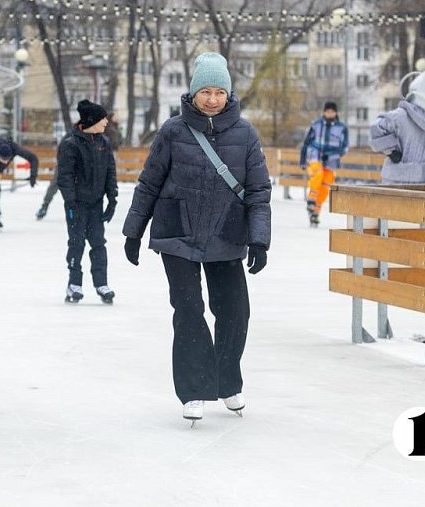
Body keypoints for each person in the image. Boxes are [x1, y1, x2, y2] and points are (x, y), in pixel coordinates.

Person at [122, 52, 271, 424]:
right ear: (193, 92)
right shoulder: (173, 131)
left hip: (226, 232)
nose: (212, 99)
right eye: (206, 91)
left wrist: (259, 239)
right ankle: (193, 388)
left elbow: (258, 191)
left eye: (219, 91)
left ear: (228, 94)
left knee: (235, 311)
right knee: (189, 310)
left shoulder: (245, 133)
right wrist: (133, 231)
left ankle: (226, 380)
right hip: (178, 233)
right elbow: (150, 182)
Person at [57, 99, 119, 304]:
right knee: (76, 244)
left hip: (96, 204)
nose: (106, 123)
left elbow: (111, 171)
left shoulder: (103, 143)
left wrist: (112, 199)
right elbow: (65, 177)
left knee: (99, 244)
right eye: (103, 119)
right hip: (76, 205)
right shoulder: (70, 144)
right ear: (92, 120)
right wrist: (71, 202)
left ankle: (101, 284)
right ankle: (73, 284)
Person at [369, 64, 425, 184]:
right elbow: (376, 130)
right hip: (394, 183)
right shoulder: (401, 115)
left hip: (421, 184)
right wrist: (391, 151)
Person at [38, 112, 120, 220]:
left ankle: (87, 212)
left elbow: (113, 143)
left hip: (86, 166)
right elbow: (62, 147)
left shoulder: (104, 131)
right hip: (68, 163)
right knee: (56, 183)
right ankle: (45, 206)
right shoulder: (74, 132)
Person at [299, 101, 349, 227]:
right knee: (318, 174)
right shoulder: (316, 125)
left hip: (331, 161)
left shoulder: (342, 128)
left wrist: (332, 155)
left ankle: (315, 213)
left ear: (336, 112)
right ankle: (311, 201)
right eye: (327, 111)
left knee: (325, 186)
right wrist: (303, 160)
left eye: (332, 111)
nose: (330, 113)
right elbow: (306, 143)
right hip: (315, 156)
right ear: (324, 112)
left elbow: (344, 148)